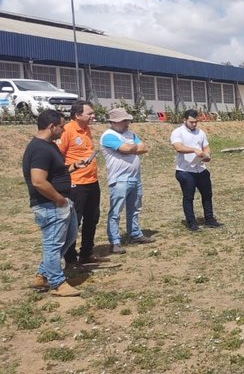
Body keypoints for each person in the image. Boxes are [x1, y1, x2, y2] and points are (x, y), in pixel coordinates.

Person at [23, 109, 85, 296]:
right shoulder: (40, 149)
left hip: (62, 203)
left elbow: (55, 172)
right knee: (53, 244)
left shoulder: (49, 146)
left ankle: (43, 274)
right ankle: (57, 283)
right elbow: (38, 180)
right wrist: (58, 199)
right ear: (51, 127)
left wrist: (73, 167)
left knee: (69, 237)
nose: (64, 130)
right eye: (61, 126)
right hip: (50, 204)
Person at [58, 100, 108, 266]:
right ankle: (70, 258)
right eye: (90, 113)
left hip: (92, 181)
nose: (93, 116)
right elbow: (57, 158)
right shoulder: (67, 131)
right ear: (77, 115)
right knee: (74, 221)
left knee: (92, 218)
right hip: (75, 184)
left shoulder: (86, 130)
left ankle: (86, 253)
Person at [100, 108, 154, 253]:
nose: (127, 123)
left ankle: (135, 233)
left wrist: (133, 148)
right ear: (114, 122)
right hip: (119, 179)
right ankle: (115, 240)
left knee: (135, 208)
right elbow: (125, 148)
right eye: (124, 121)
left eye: (127, 120)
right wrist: (133, 148)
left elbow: (144, 148)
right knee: (116, 211)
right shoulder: (108, 136)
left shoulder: (130, 134)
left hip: (135, 177)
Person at [170, 109, 223, 231]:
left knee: (207, 194)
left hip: (201, 169)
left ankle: (209, 219)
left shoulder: (200, 132)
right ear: (185, 120)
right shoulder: (178, 132)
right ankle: (191, 222)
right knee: (189, 197)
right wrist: (194, 150)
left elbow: (206, 147)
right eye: (191, 122)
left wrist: (207, 155)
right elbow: (178, 147)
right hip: (185, 170)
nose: (194, 124)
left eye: (196, 122)